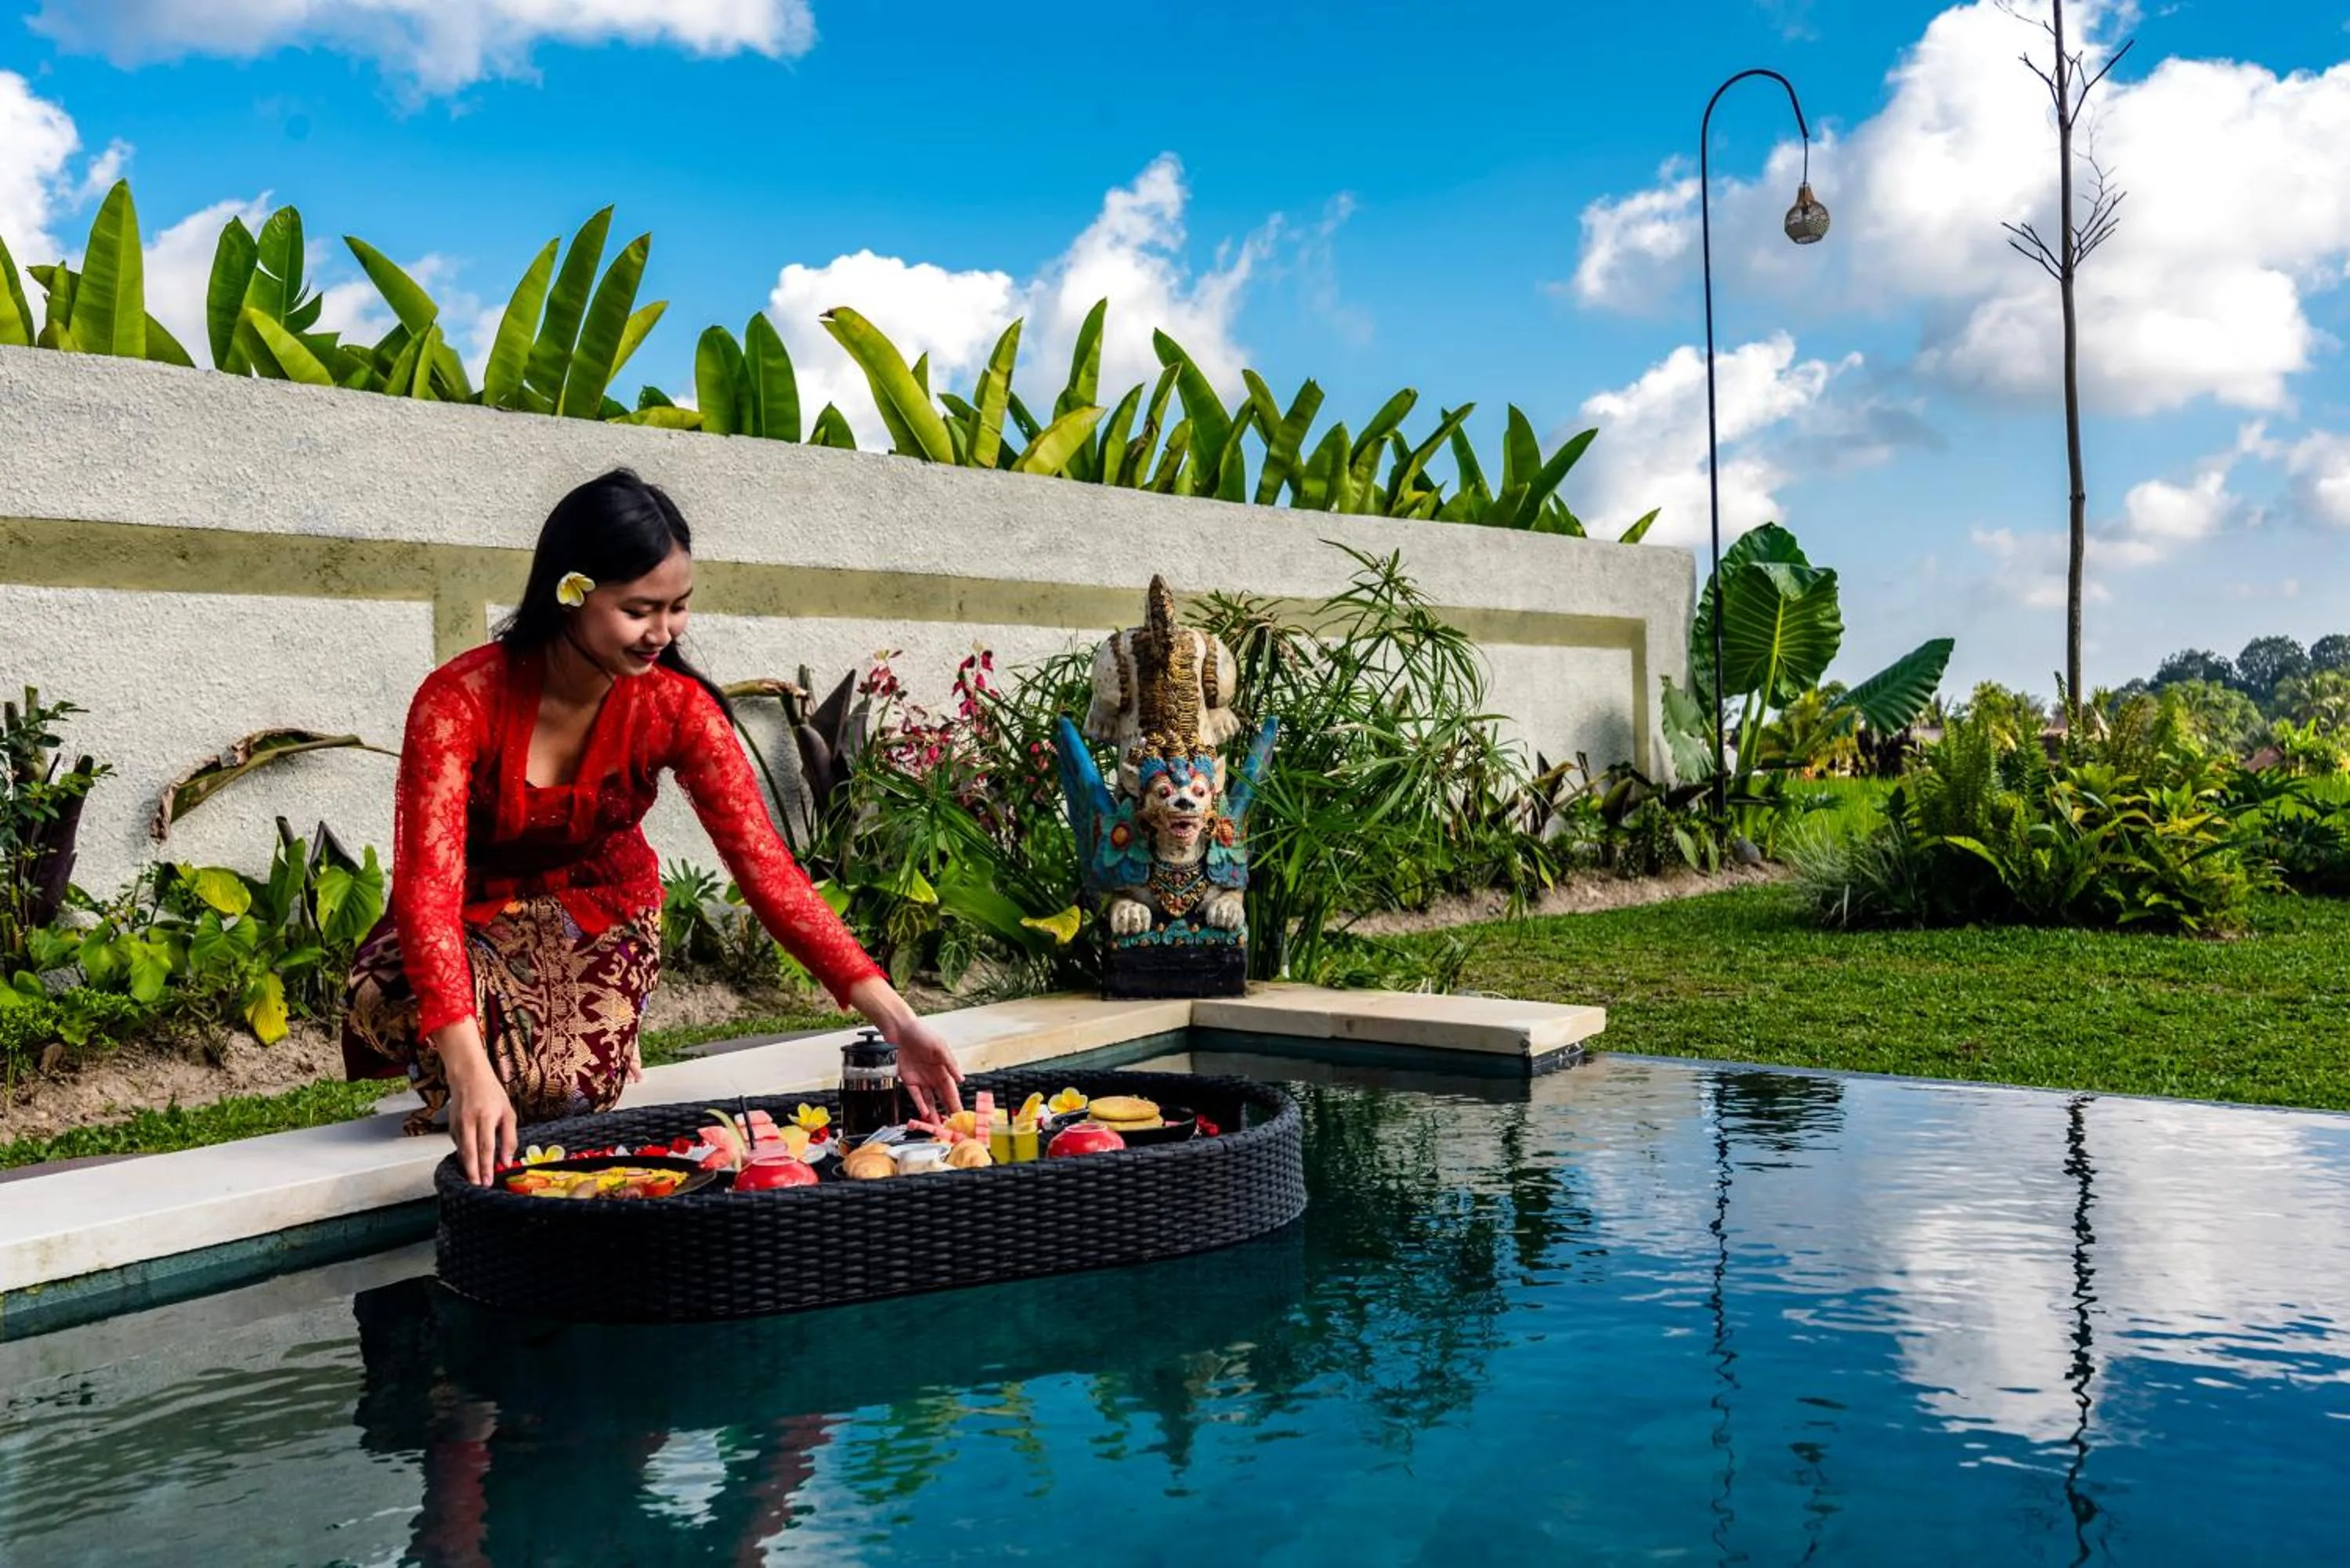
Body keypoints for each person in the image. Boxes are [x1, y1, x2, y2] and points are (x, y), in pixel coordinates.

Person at [342, 468, 963, 1183]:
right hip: (472, 914)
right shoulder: (459, 701)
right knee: (389, 997)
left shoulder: (677, 708)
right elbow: (427, 892)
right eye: (639, 610)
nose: (662, 633)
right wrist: (469, 1066)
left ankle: (587, 1036)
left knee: (563, 1095)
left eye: (679, 607)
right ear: (570, 593)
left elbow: (765, 869)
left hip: (599, 916)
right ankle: (495, 1058)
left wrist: (897, 1018)